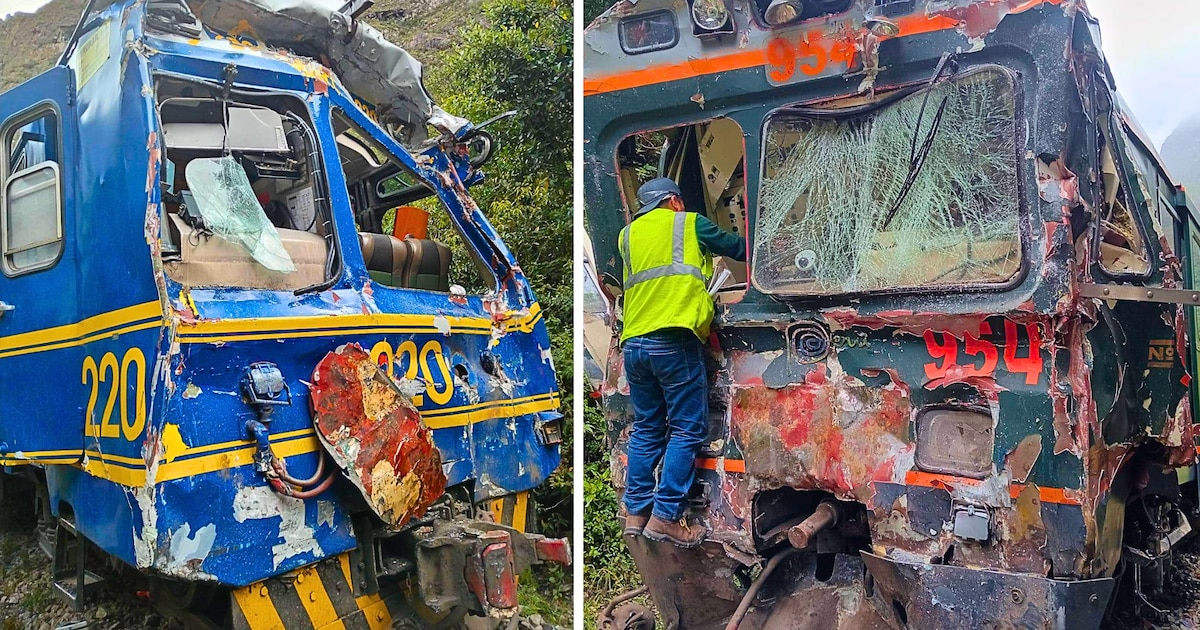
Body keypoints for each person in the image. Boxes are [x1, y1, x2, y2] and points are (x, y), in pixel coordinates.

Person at [618, 177, 746, 548]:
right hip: (673, 339)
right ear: (674, 201)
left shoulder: (627, 236)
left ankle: (636, 512)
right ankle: (666, 517)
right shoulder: (689, 222)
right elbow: (737, 248)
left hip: (634, 344)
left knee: (647, 428)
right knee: (687, 429)